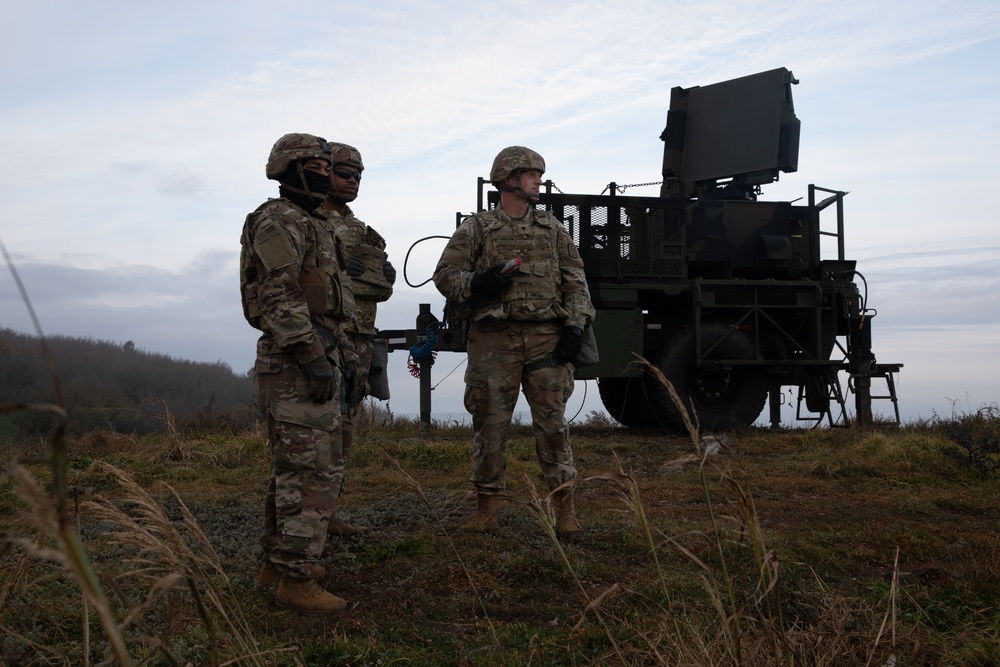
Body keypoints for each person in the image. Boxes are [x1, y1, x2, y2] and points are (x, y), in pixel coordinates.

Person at [432, 146, 595, 541]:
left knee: (554, 426)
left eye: (539, 174)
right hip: (493, 341)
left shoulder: (553, 229)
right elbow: (444, 274)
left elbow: (576, 281)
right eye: (532, 174)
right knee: (489, 426)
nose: (540, 180)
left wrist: (574, 329)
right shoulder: (478, 228)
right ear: (509, 179)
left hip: (546, 340)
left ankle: (566, 513)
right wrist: (478, 283)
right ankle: (487, 509)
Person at [239, 133, 362, 614]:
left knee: (298, 468)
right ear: (290, 168)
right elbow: (279, 295)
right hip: (293, 363)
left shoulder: (315, 224)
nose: (326, 171)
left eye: (327, 163)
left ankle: (278, 563)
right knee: (309, 472)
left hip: (316, 355)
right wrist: (312, 355)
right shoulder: (278, 220)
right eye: (316, 164)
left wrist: (345, 356)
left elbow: (334, 303)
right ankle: (296, 577)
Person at [315, 142, 395, 537]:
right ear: (324, 172)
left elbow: (382, 284)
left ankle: (328, 513)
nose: (352, 181)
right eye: (345, 173)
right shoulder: (310, 222)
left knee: (345, 427)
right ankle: (307, 519)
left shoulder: (361, 229)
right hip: (326, 337)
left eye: (358, 176)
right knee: (317, 432)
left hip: (360, 338)